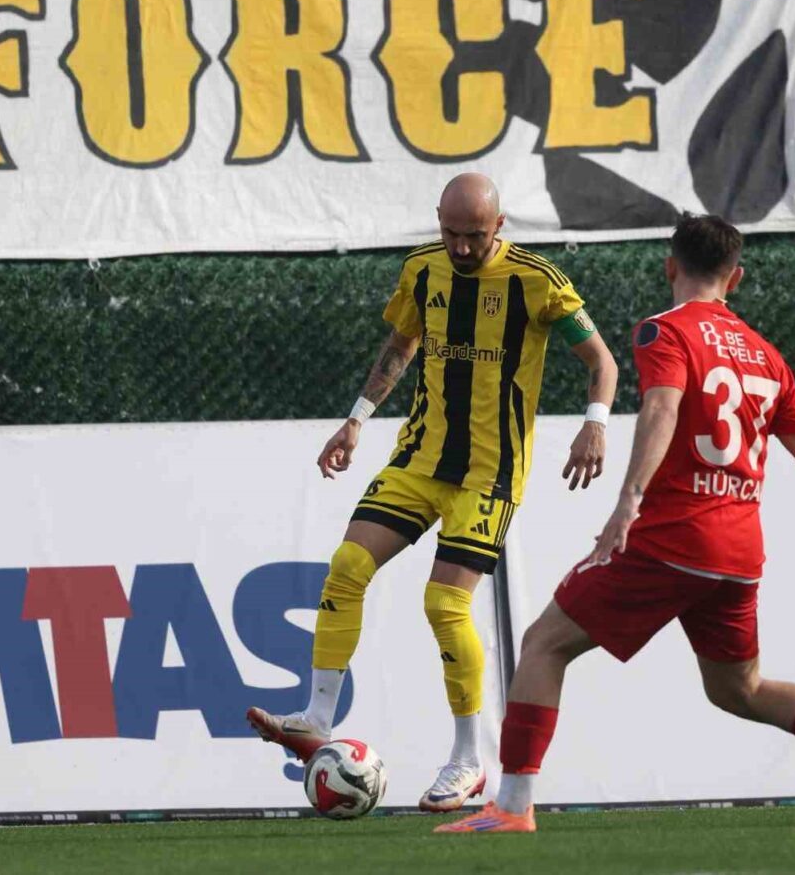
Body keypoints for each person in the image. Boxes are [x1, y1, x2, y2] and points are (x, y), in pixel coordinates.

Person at [439, 213, 795, 833]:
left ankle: (512, 807)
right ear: (737, 277)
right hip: (739, 553)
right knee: (738, 689)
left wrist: (629, 500)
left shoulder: (664, 331)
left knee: (544, 643)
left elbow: (662, 409)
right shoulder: (765, 355)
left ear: (670, 266)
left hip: (672, 539)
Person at [247, 173, 619, 812]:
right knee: (347, 566)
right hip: (420, 458)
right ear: (438, 221)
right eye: (451, 233)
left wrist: (596, 424)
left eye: (475, 235)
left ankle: (469, 759)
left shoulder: (537, 281)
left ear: (499, 226)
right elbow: (400, 346)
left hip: (489, 474)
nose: (462, 247)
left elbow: (602, 362)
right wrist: (356, 420)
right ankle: (316, 719)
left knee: (445, 603)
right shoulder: (422, 270)